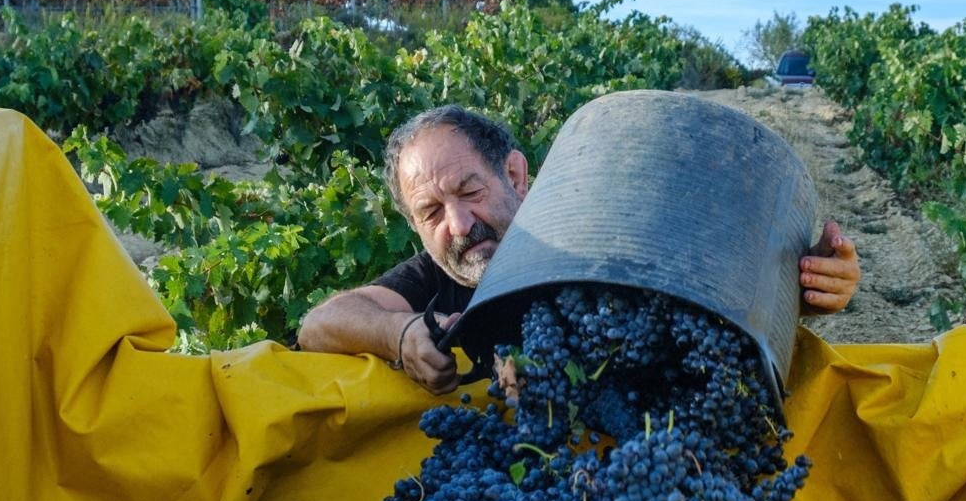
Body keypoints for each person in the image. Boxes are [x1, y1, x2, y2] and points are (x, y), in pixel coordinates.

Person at [297, 105, 861, 395]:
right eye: (432, 213)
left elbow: (689, 292)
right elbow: (319, 325)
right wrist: (396, 333)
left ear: (516, 175)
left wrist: (798, 283)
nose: (460, 223)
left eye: (471, 191)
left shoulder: (591, 234)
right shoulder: (434, 276)